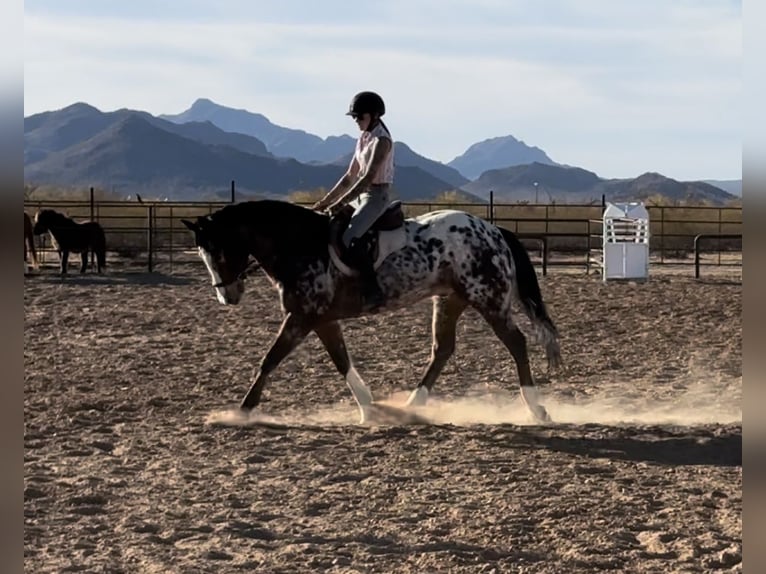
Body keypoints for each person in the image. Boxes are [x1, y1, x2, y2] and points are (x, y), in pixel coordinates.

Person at [313, 90, 395, 309]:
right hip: (361, 195)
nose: (357, 121)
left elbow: (367, 178)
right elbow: (350, 176)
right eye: (355, 117)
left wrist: (339, 203)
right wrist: (325, 201)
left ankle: (372, 291)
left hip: (376, 195)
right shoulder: (364, 138)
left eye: (360, 117)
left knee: (350, 237)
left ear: (375, 116)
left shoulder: (381, 141)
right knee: (331, 225)